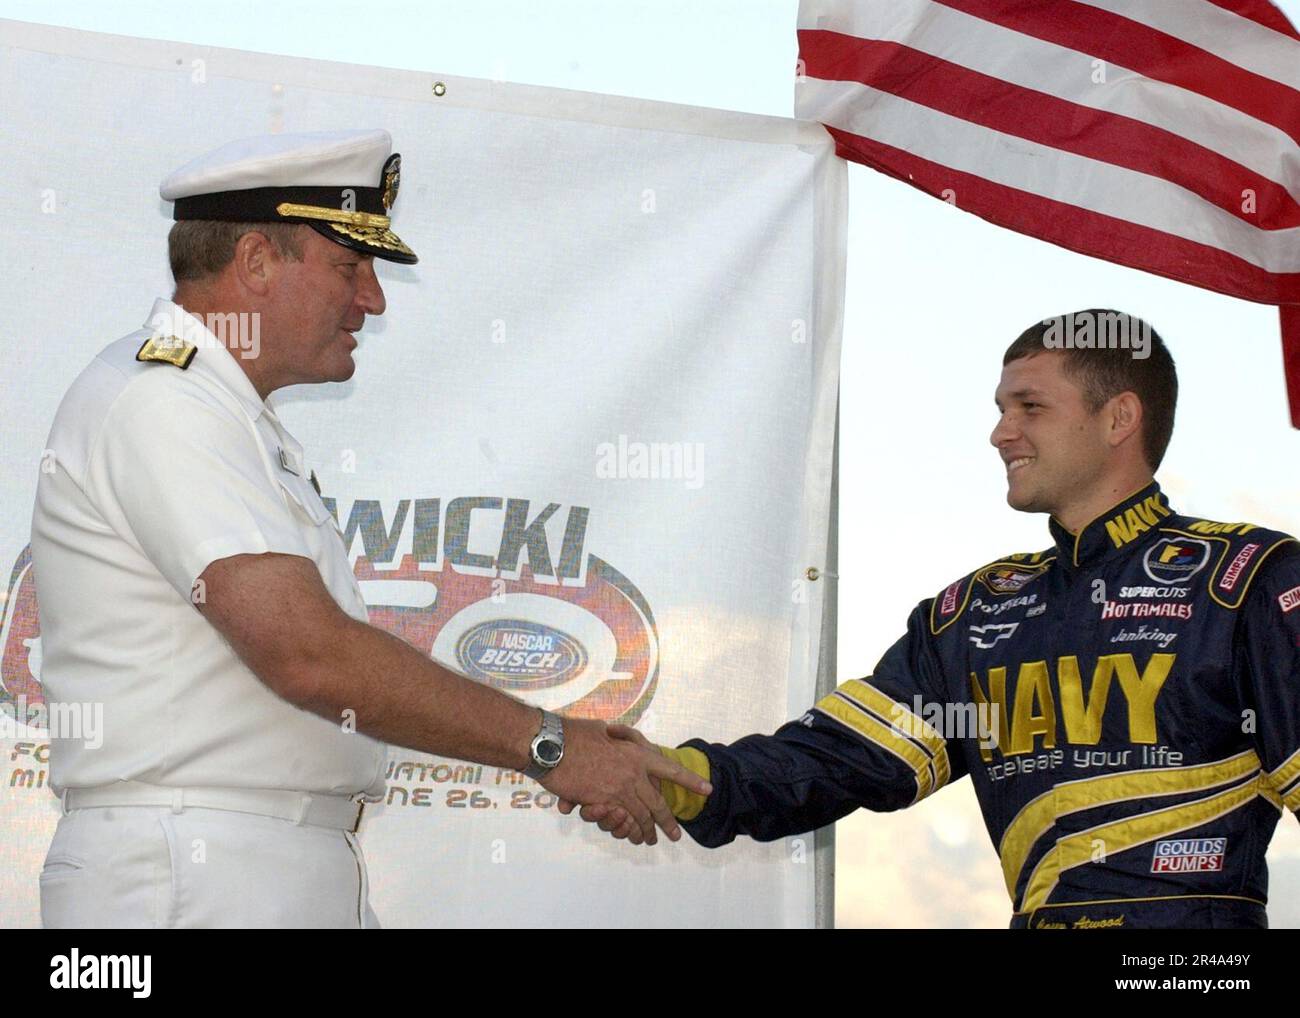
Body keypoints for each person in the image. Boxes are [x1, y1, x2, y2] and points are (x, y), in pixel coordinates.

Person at [30, 129, 708, 929]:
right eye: (350, 268)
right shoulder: (163, 401)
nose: (374, 300)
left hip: (257, 863)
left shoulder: (228, 417)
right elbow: (309, 655)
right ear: (254, 262)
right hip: (193, 870)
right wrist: (552, 746)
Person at [569, 310, 1300, 929]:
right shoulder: (979, 612)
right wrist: (667, 777)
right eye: (1000, 408)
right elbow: (832, 761)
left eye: (1029, 406)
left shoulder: (1249, 581)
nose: (1000, 433)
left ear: (1119, 418)